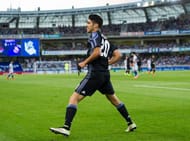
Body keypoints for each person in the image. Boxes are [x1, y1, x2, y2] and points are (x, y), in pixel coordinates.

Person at [50, 14, 136, 136]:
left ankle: (66, 127)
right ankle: (130, 123)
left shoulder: (95, 35)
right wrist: (107, 63)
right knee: (114, 99)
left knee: (74, 98)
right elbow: (118, 55)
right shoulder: (106, 39)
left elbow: (96, 52)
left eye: (88, 23)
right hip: (104, 74)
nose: (86, 25)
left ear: (96, 25)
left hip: (95, 74)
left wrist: (84, 63)